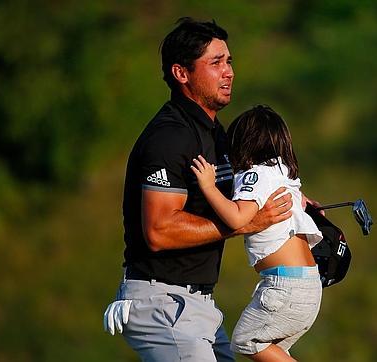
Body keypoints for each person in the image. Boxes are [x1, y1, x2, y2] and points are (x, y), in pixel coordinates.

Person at [102, 18, 295, 362]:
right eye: (216, 62)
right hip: (162, 304)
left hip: (198, 306)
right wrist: (242, 225)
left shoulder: (214, 132)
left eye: (229, 61)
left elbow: (252, 184)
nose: (229, 72)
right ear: (181, 73)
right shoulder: (170, 136)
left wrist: (300, 202)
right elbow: (159, 231)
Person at [191, 105, 323, 362]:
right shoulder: (283, 172)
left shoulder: (254, 174)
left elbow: (237, 217)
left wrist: (208, 187)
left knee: (246, 340)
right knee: (274, 352)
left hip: (284, 287)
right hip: (309, 285)